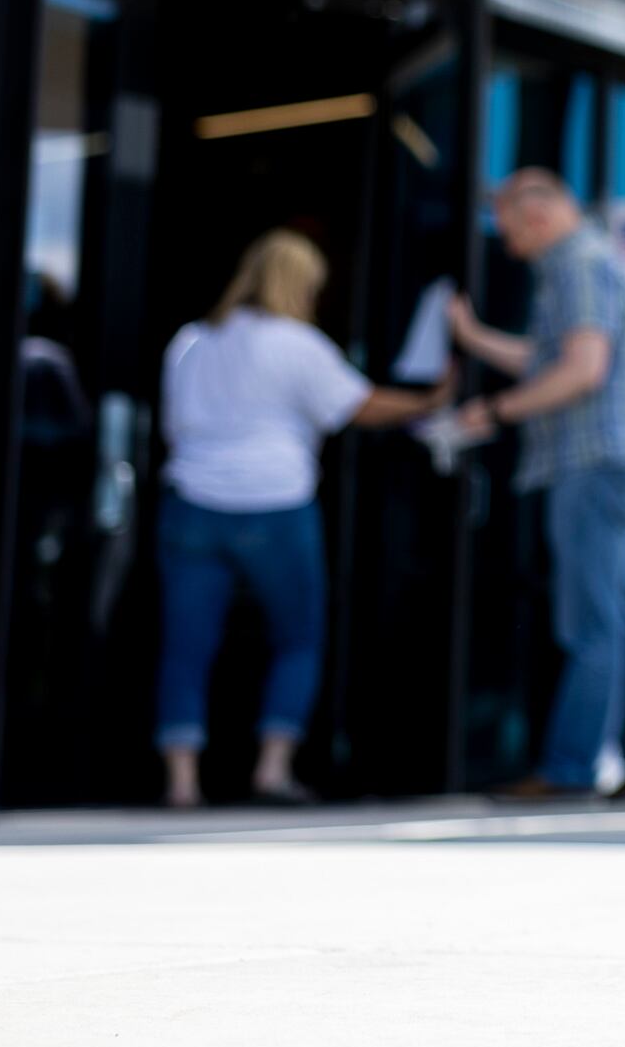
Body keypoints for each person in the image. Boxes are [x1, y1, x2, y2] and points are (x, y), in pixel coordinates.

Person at [157, 230, 447, 808]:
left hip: (192, 504)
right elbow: (359, 407)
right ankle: (272, 769)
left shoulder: (189, 342)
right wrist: (431, 401)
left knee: (186, 646)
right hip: (275, 505)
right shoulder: (297, 344)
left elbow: (172, 424)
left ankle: (182, 782)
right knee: (298, 638)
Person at [447, 170, 625, 801]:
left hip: (592, 462)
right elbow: (550, 356)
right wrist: (476, 340)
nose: (507, 242)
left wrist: (494, 413)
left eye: (509, 227)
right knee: (623, 617)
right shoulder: (584, 266)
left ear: (539, 215)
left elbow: (581, 370)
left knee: (592, 624)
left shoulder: (576, 264)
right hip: (611, 460)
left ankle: (570, 770)